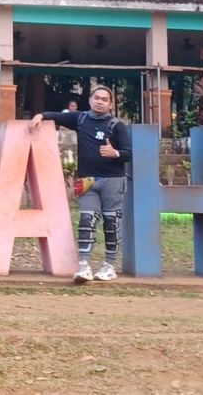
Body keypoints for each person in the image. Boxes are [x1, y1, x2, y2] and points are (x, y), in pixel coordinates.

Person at [31, 85, 131, 282]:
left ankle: (109, 266)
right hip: (87, 182)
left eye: (104, 99)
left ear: (110, 104)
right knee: (87, 221)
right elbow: (57, 116)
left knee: (111, 223)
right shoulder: (81, 119)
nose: (100, 102)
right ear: (90, 100)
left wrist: (116, 153)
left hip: (113, 181)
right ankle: (84, 266)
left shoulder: (117, 125)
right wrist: (40, 116)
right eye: (96, 98)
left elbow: (129, 153)